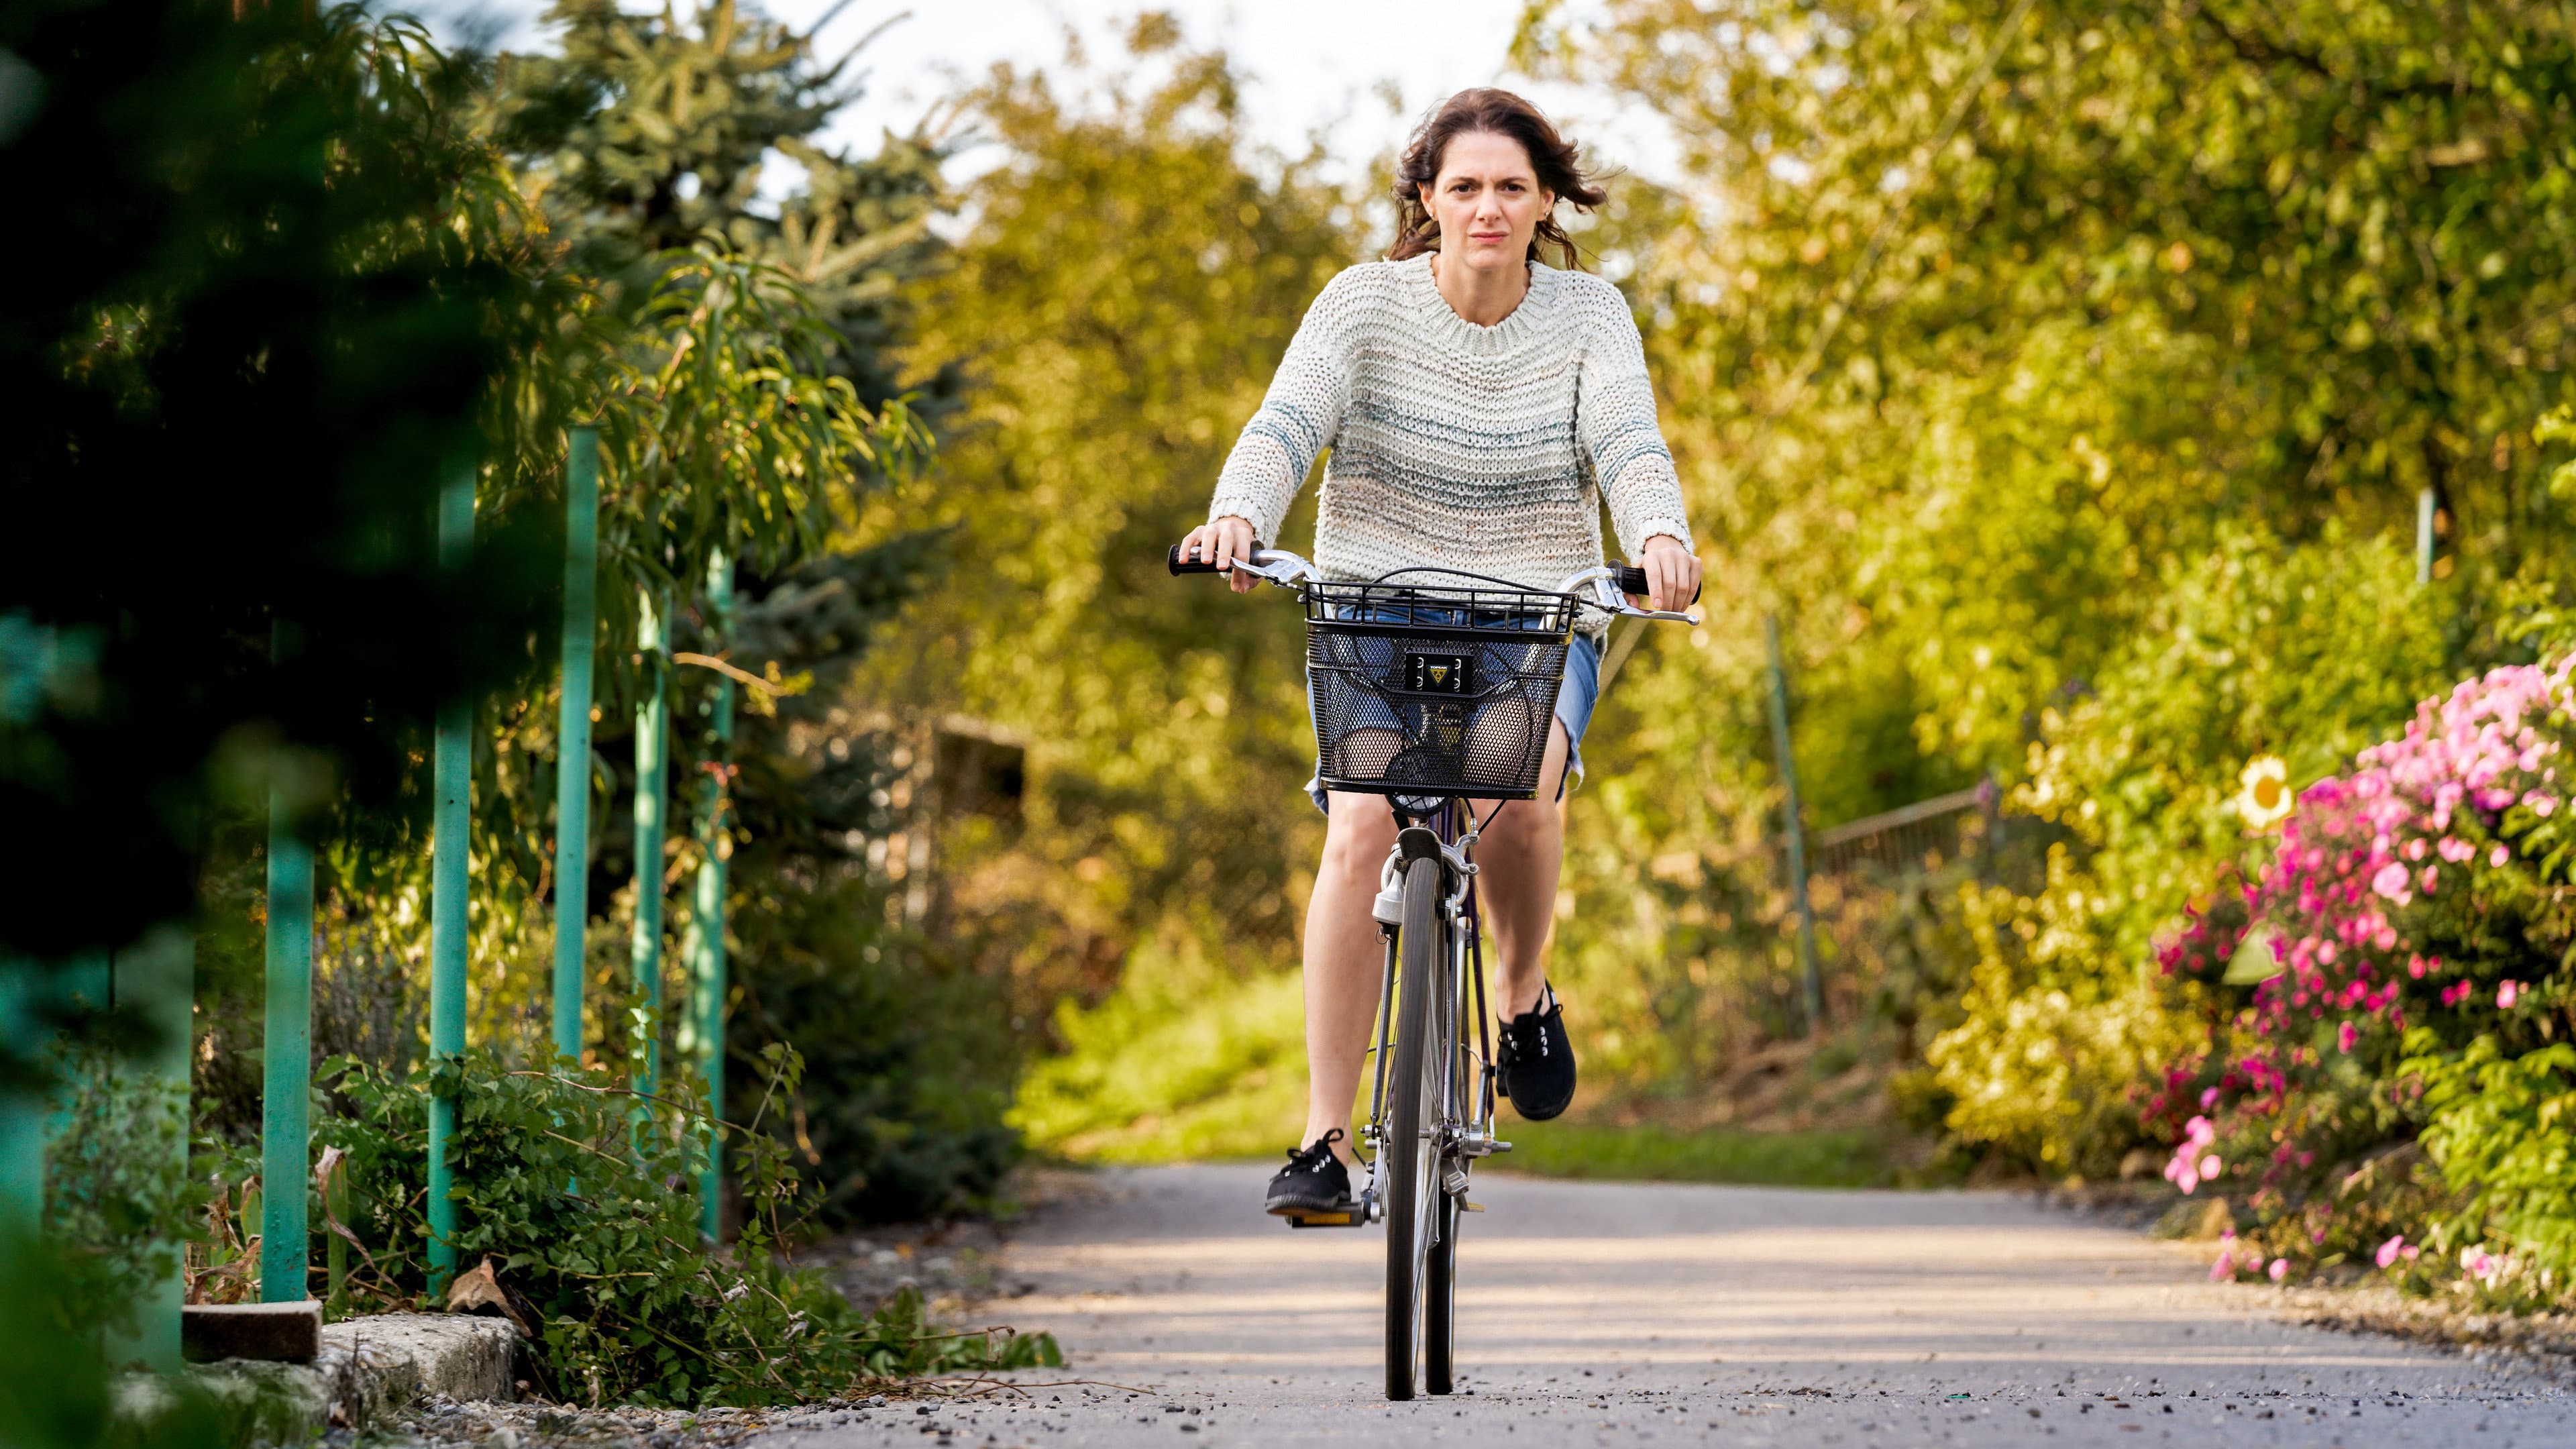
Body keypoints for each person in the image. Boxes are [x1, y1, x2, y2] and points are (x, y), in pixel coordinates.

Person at [1175, 88, 1703, 1218]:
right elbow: (1290, 417)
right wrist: (1240, 515)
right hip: (1376, 610)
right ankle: (1324, 1142)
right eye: (1464, 186)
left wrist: (1659, 533)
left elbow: (1625, 433)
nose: (1488, 208)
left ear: (1547, 199)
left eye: (1513, 186)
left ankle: (1517, 997)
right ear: (1427, 199)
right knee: (1362, 826)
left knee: (1521, 798)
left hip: (1532, 614)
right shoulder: (1361, 304)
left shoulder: (1590, 314)